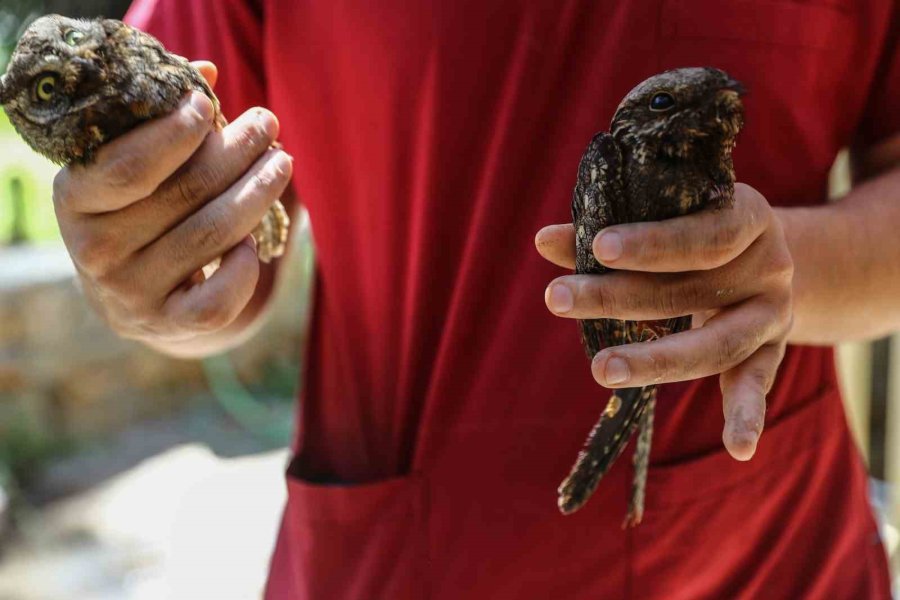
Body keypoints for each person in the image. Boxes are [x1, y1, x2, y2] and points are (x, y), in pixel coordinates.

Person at [50, 0, 897, 597]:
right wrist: (154, 265)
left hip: (773, 558)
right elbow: (209, 233)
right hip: (406, 562)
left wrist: (782, 271)